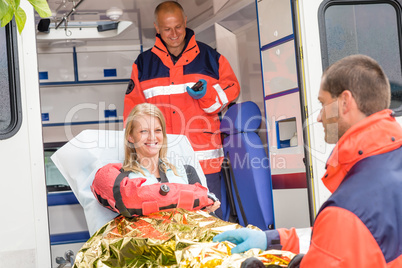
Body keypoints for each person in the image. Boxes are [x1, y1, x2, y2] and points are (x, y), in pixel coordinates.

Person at [213, 55, 402, 267]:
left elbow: (343, 230)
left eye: (323, 104)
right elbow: (341, 238)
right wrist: (270, 239)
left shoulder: (347, 209)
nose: (319, 117)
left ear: (345, 102)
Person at [123, 1, 241, 218]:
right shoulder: (143, 64)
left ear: (186, 22)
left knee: (211, 220)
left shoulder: (211, 58)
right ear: (157, 28)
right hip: (162, 164)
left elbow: (232, 89)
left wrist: (206, 95)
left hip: (205, 161)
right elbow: (133, 115)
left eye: (178, 26)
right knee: (172, 222)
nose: (174, 33)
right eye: (167, 29)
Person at [92, 103, 220, 215]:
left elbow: (205, 216)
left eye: (158, 130)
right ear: (131, 137)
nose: (152, 137)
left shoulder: (186, 172)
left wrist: (206, 211)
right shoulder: (122, 179)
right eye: (144, 131)